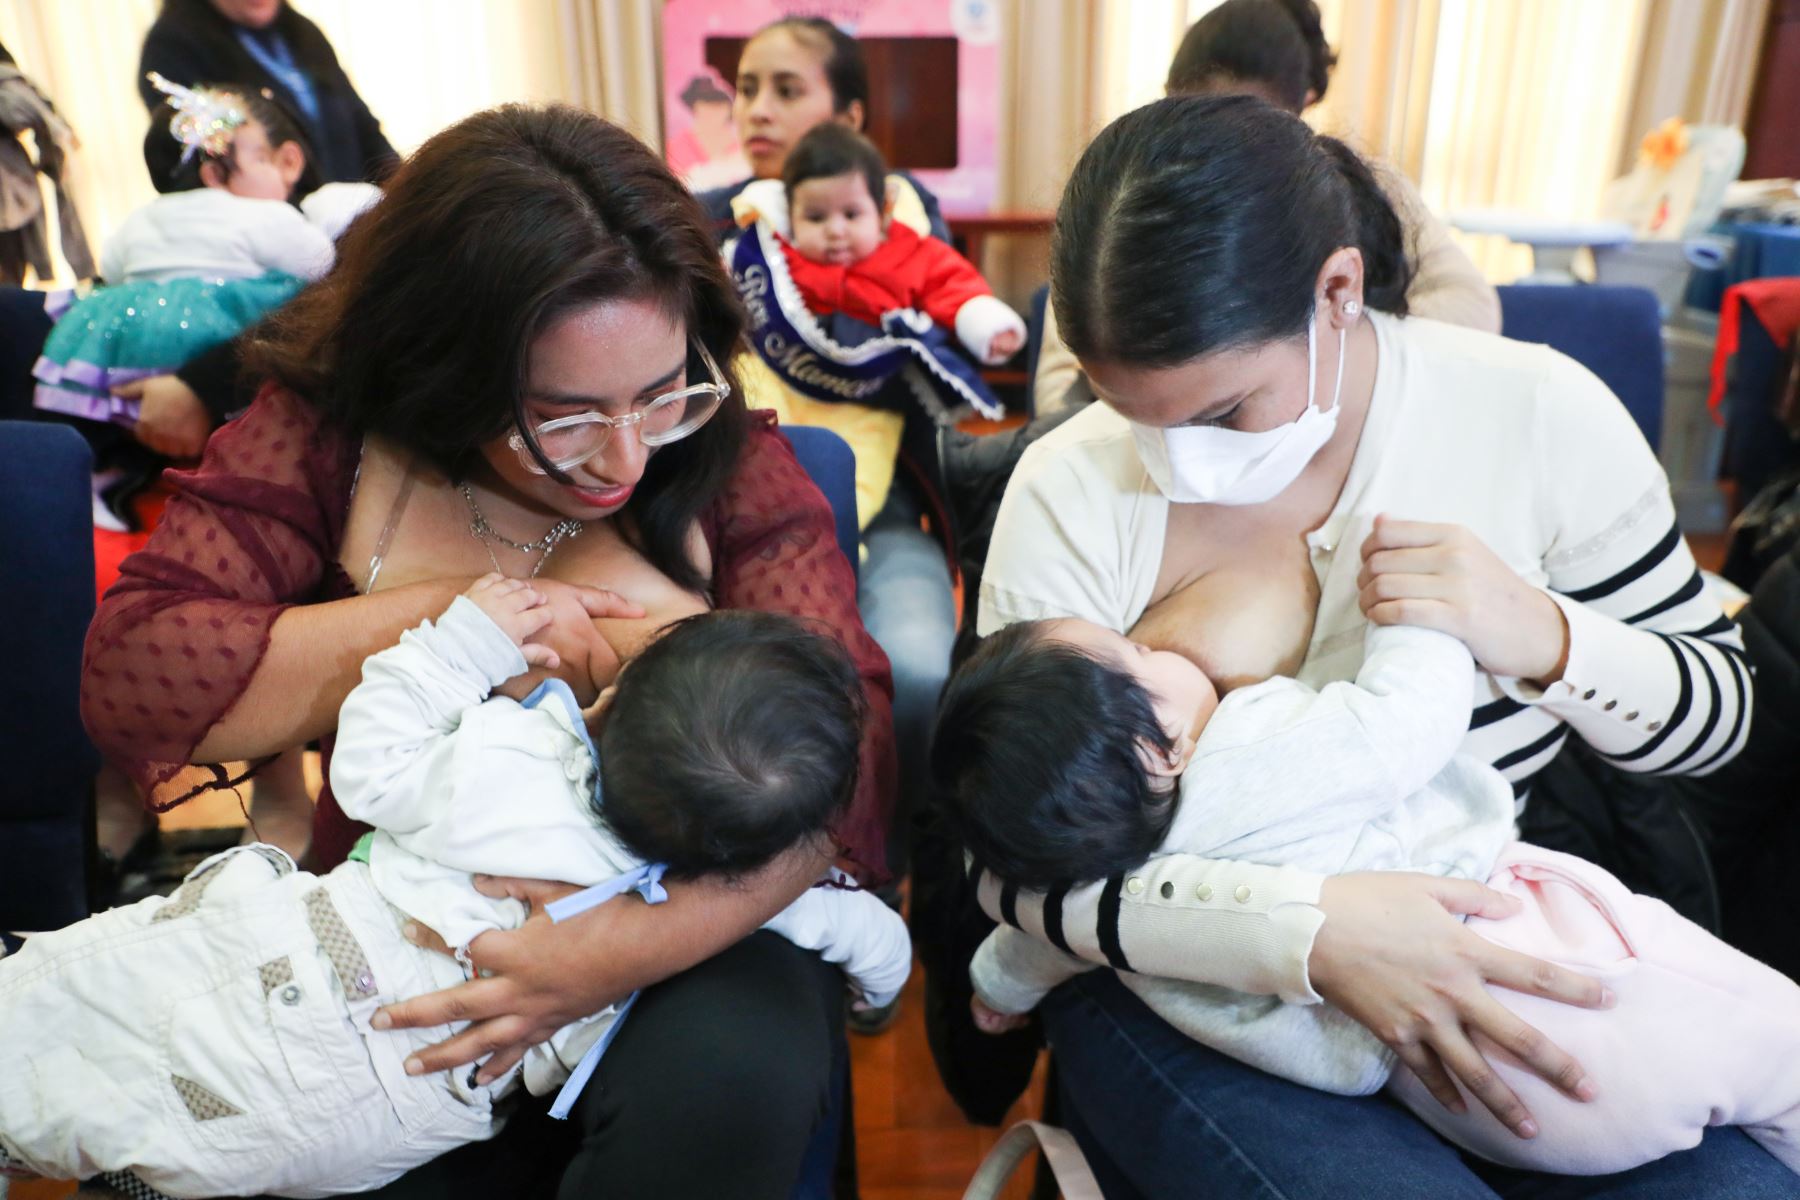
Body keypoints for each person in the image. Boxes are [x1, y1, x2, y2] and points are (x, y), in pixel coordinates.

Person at [79, 104, 897, 1197]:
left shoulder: (721, 459)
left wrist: (609, 952)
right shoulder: (333, 439)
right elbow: (136, 674)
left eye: (660, 393)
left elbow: (843, 751)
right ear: (446, 373)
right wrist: (467, 613)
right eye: (563, 417)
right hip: (406, 912)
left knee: (732, 1074)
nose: (622, 459)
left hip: (693, 912)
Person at [965, 94, 1773, 1197]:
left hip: (1491, 932)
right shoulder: (1072, 486)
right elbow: (1015, 863)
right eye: (1134, 416)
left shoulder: (1534, 415)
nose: (1174, 458)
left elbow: (1722, 724)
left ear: (1337, 292)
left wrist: (1541, 636)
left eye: (1223, 414)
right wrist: (1307, 937)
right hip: (1180, 975)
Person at [2, 581, 909, 1197]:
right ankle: (156, 1164)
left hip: (306, 976)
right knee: (211, 1126)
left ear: (609, 703)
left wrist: (459, 643)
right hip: (400, 1118)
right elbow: (868, 936)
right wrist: (882, 986)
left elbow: (367, 767)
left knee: (66, 1000)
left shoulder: (513, 760)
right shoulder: (713, 896)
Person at [938, 610, 1800, 1177]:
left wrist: (994, 991)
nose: (1158, 645)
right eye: (1138, 654)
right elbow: (1407, 724)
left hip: (1453, 1092)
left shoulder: (1101, 892)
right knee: (1783, 1056)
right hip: (1542, 962)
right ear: (1160, 749)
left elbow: (1032, 947)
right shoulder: (1247, 752)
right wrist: (1416, 619)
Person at [701, 18, 964, 1034]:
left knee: (917, 669)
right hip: (738, 514)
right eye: (746, 89)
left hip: (884, 508)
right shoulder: (706, 230)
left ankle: (880, 875)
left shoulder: (896, 224)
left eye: (786, 89)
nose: (758, 110)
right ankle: (756, 890)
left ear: (849, 117)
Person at [1030, 0, 1500, 416]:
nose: (1217, 152)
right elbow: (1060, 377)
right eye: (1195, 117)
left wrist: (1330, 340)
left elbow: (1473, 312)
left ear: (1302, 110)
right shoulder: (1135, 194)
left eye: (1249, 128)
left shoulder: (1370, 189)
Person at [728, 122, 1023, 530]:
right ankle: (749, 524)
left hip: (867, 405)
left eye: (851, 214)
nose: (835, 230)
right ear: (790, 217)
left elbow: (950, 283)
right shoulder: (773, 257)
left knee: (858, 479)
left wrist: (984, 320)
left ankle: (838, 538)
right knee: (746, 434)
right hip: (780, 384)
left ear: (882, 211)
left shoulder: (909, 252)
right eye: (815, 216)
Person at [34, 75, 331, 434]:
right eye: (263, 161)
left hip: (136, 337)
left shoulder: (142, 216)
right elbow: (317, 261)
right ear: (213, 175)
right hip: (217, 339)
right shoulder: (265, 214)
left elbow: (111, 268)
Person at [138, 0, 397, 186]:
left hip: (352, 222)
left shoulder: (303, 32)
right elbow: (201, 172)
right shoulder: (172, 48)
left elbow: (363, 128)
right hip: (274, 240)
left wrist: (404, 193)